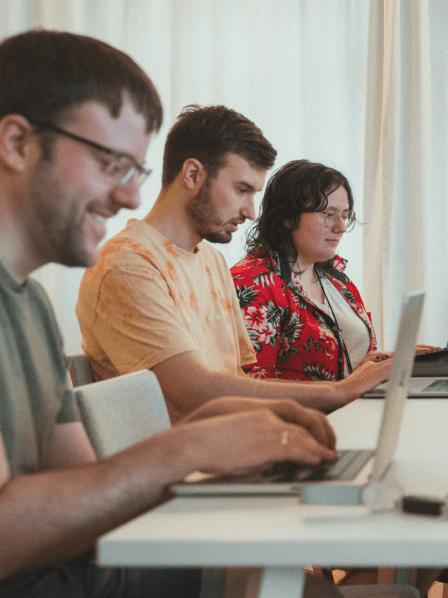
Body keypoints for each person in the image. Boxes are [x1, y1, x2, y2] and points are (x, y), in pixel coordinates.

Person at [0, 29, 347, 598]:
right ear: (17, 142)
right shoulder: (120, 267)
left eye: (133, 171)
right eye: (111, 162)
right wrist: (192, 449)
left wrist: (242, 447)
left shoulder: (29, 304)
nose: (131, 198)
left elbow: (79, 488)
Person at [77, 108, 391, 424]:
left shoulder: (210, 260)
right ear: (192, 175)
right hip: (182, 465)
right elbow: (191, 391)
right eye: (242, 190)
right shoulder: (129, 265)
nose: (251, 211)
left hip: (233, 444)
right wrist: (340, 392)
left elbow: (242, 379)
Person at [231, 160, 434, 382]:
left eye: (345, 215)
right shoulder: (251, 282)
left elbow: (353, 364)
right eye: (328, 214)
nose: (341, 228)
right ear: (287, 218)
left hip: (353, 409)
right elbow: (252, 384)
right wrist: (346, 388)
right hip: (302, 416)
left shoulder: (338, 280)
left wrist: (390, 360)